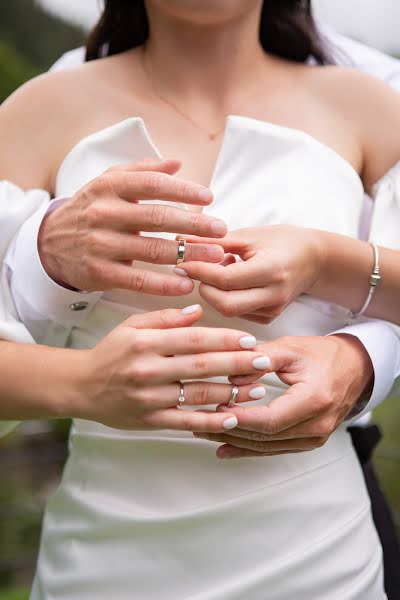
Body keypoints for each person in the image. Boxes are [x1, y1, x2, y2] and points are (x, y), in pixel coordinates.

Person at [1, 1, 400, 597]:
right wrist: (86, 382)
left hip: (319, 551)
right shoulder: (37, 109)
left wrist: (322, 257)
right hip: (107, 556)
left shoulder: (370, 104)